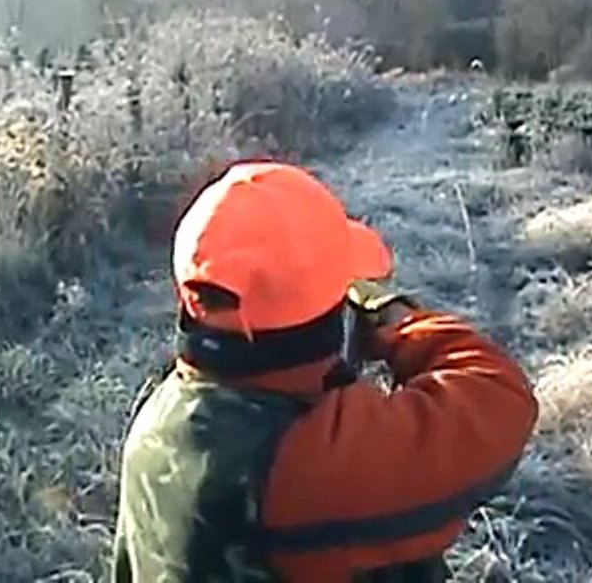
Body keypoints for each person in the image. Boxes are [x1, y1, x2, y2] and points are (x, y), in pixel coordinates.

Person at [111, 160, 539, 582]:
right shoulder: (307, 460)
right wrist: (398, 323)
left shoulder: (163, 417)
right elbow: (496, 393)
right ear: (325, 320)